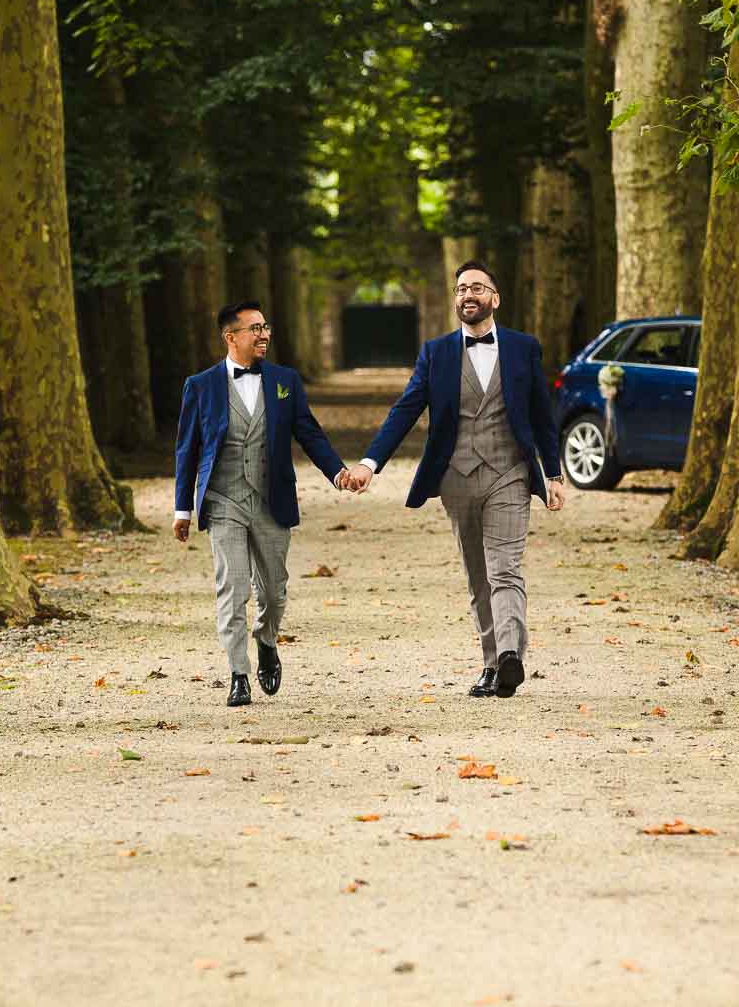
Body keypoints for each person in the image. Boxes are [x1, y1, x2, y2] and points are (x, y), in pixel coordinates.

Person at [341, 262, 565, 697]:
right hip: (456, 478)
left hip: (510, 474)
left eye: (478, 287)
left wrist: (552, 472)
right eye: (461, 288)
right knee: (478, 573)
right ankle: (491, 662)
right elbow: (405, 410)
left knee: (506, 568)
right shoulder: (436, 353)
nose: (468, 294)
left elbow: (542, 415)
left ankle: (509, 656)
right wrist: (370, 463)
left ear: (495, 299)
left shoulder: (524, 349)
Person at [174, 302, 353, 707]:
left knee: (273, 591)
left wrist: (338, 472)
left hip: (272, 498)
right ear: (230, 336)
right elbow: (187, 449)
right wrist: (182, 508)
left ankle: (267, 639)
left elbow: (309, 432)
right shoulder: (200, 386)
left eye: (266, 327)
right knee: (232, 586)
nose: (264, 334)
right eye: (255, 328)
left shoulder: (284, 380)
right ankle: (238, 673)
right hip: (223, 499)